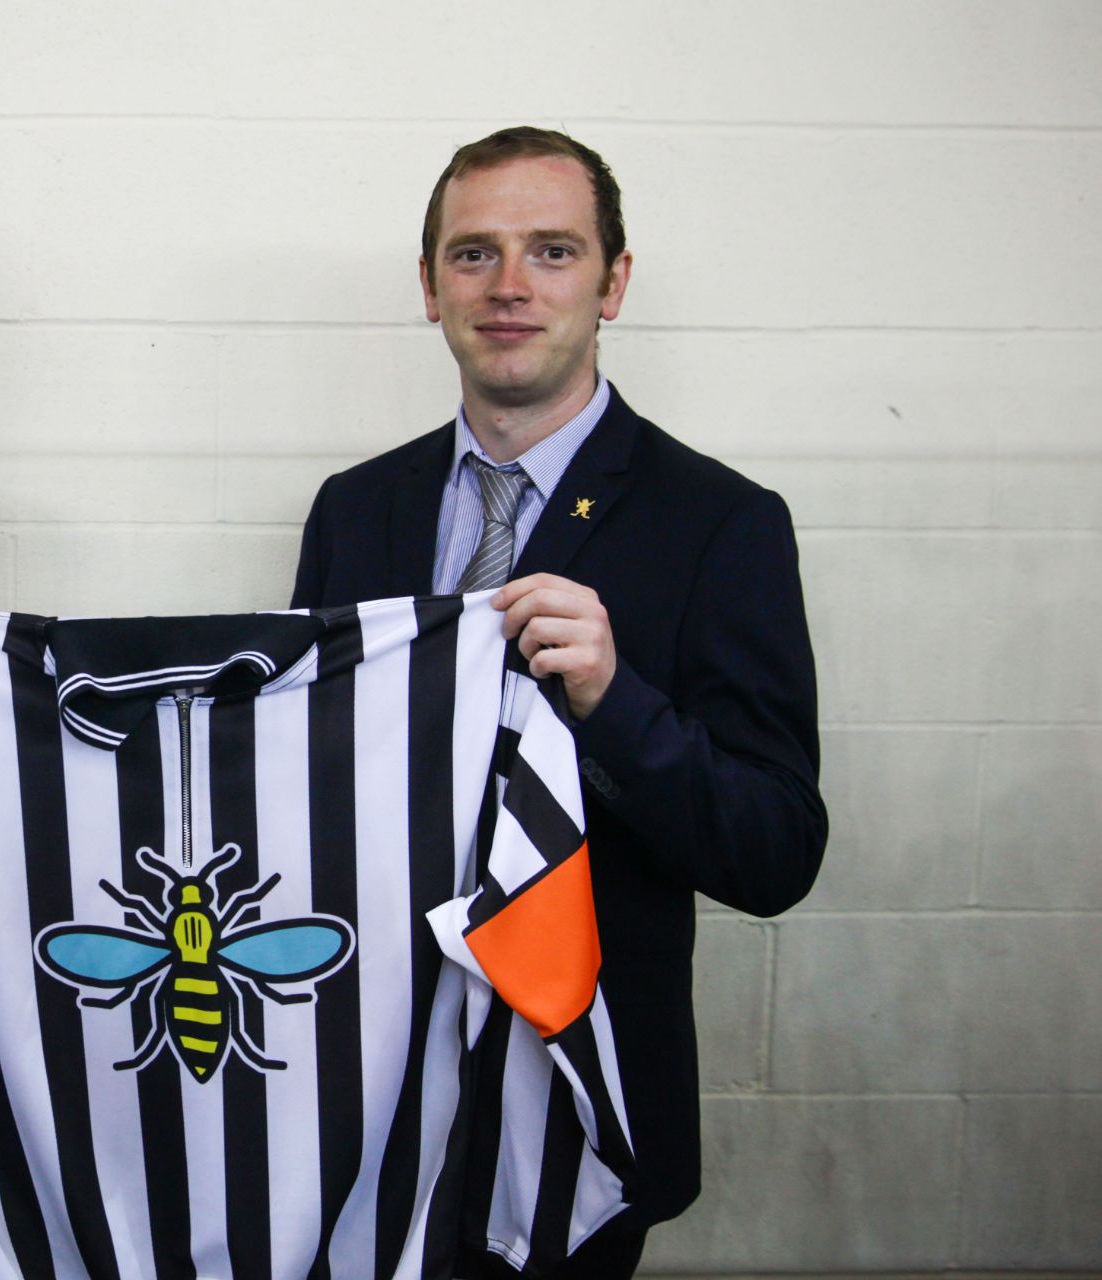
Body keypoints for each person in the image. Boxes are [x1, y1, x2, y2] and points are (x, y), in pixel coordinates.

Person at [289, 127, 827, 1277]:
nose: (512, 286)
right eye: (474, 254)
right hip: (363, 1097)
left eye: (553, 250)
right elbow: (301, 780)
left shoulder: (721, 521)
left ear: (613, 282)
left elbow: (777, 847)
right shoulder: (355, 509)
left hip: (580, 1101)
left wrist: (614, 698)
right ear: (429, 287)